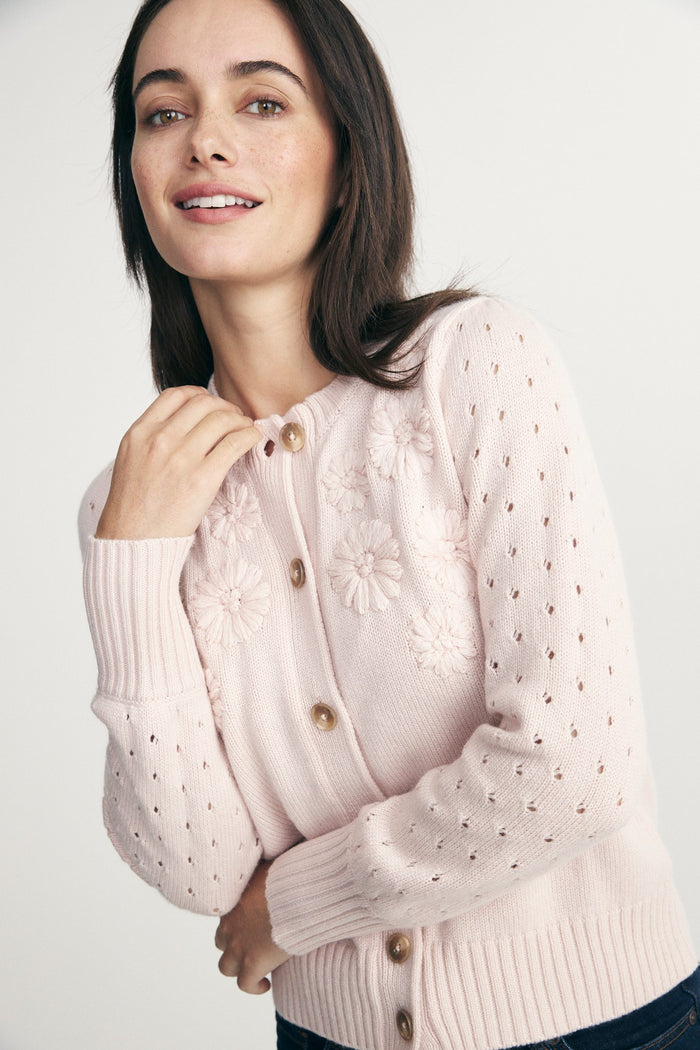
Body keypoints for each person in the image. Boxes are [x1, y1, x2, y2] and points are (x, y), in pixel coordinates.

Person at [79, 0, 699, 1047]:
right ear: (136, 177)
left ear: (347, 152)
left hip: (605, 1026)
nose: (205, 141)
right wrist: (131, 566)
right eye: (162, 113)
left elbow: (574, 764)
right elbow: (199, 871)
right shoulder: (134, 499)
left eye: (261, 101)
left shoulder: (477, 366)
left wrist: (294, 906)